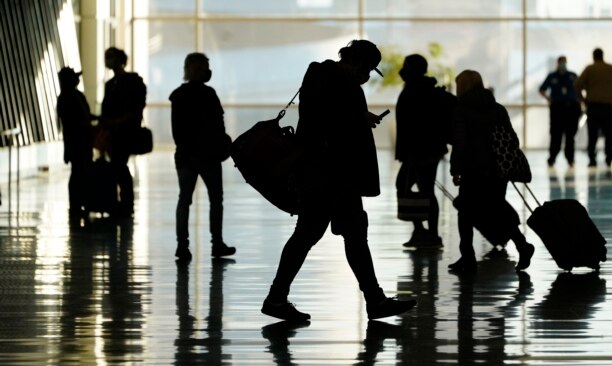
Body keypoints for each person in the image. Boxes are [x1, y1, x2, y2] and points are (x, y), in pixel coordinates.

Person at [261, 40, 417, 321]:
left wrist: (357, 118)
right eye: (368, 69)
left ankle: (372, 299)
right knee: (326, 234)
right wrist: (359, 117)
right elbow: (325, 119)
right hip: (329, 173)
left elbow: (321, 117)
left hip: (330, 173)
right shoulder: (329, 79)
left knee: (340, 233)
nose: (368, 76)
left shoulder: (323, 78)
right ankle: (372, 300)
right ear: (356, 63)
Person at [449, 70, 535, 274]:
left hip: (473, 168)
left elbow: (459, 143)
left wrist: (456, 169)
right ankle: (522, 245)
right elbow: (513, 140)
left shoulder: (461, 109)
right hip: (498, 169)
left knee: (466, 212)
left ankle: (468, 258)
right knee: (496, 208)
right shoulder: (497, 108)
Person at [169, 53, 236, 261]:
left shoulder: (178, 96)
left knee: (185, 200)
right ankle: (216, 243)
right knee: (215, 200)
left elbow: (178, 132)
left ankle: (183, 246)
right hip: (209, 157)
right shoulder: (209, 95)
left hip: (187, 157)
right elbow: (219, 125)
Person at [395, 54, 456, 247]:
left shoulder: (417, 90)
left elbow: (416, 125)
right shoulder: (422, 88)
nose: (402, 70)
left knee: (422, 189)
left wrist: (410, 153)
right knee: (422, 189)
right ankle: (425, 232)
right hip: (426, 150)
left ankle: (428, 233)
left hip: (421, 152)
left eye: (406, 66)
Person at [100, 47, 147, 217]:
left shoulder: (131, 82)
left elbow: (135, 108)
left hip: (124, 132)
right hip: (112, 133)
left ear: (120, 60)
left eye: (110, 57)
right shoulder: (111, 84)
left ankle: (125, 204)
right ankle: (121, 203)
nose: (108, 60)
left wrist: (118, 122)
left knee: (119, 166)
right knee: (117, 167)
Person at [575, 48, 612, 167]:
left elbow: (577, 85)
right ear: (603, 56)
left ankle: (592, 160)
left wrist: (583, 100)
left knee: (593, 135)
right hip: (609, 106)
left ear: (593, 56)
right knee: (609, 134)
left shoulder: (590, 69)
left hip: (593, 106)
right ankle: (609, 159)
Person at [56, 67, 97, 217]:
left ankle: (79, 203)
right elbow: (78, 119)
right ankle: (77, 204)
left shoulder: (70, 96)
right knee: (78, 172)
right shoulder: (70, 97)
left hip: (80, 141)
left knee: (79, 172)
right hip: (77, 141)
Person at [539, 56, 581, 167]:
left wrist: (580, 102)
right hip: (557, 108)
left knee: (570, 135)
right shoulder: (552, 76)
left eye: (564, 62)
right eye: (561, 62)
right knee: (555, 134)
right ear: (558, 63)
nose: (563, 64)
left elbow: (580, 89)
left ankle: (570, 159)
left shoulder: (572, 75)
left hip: (572, 108)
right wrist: (549, 99)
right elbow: (542, 89)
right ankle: (552, 158)